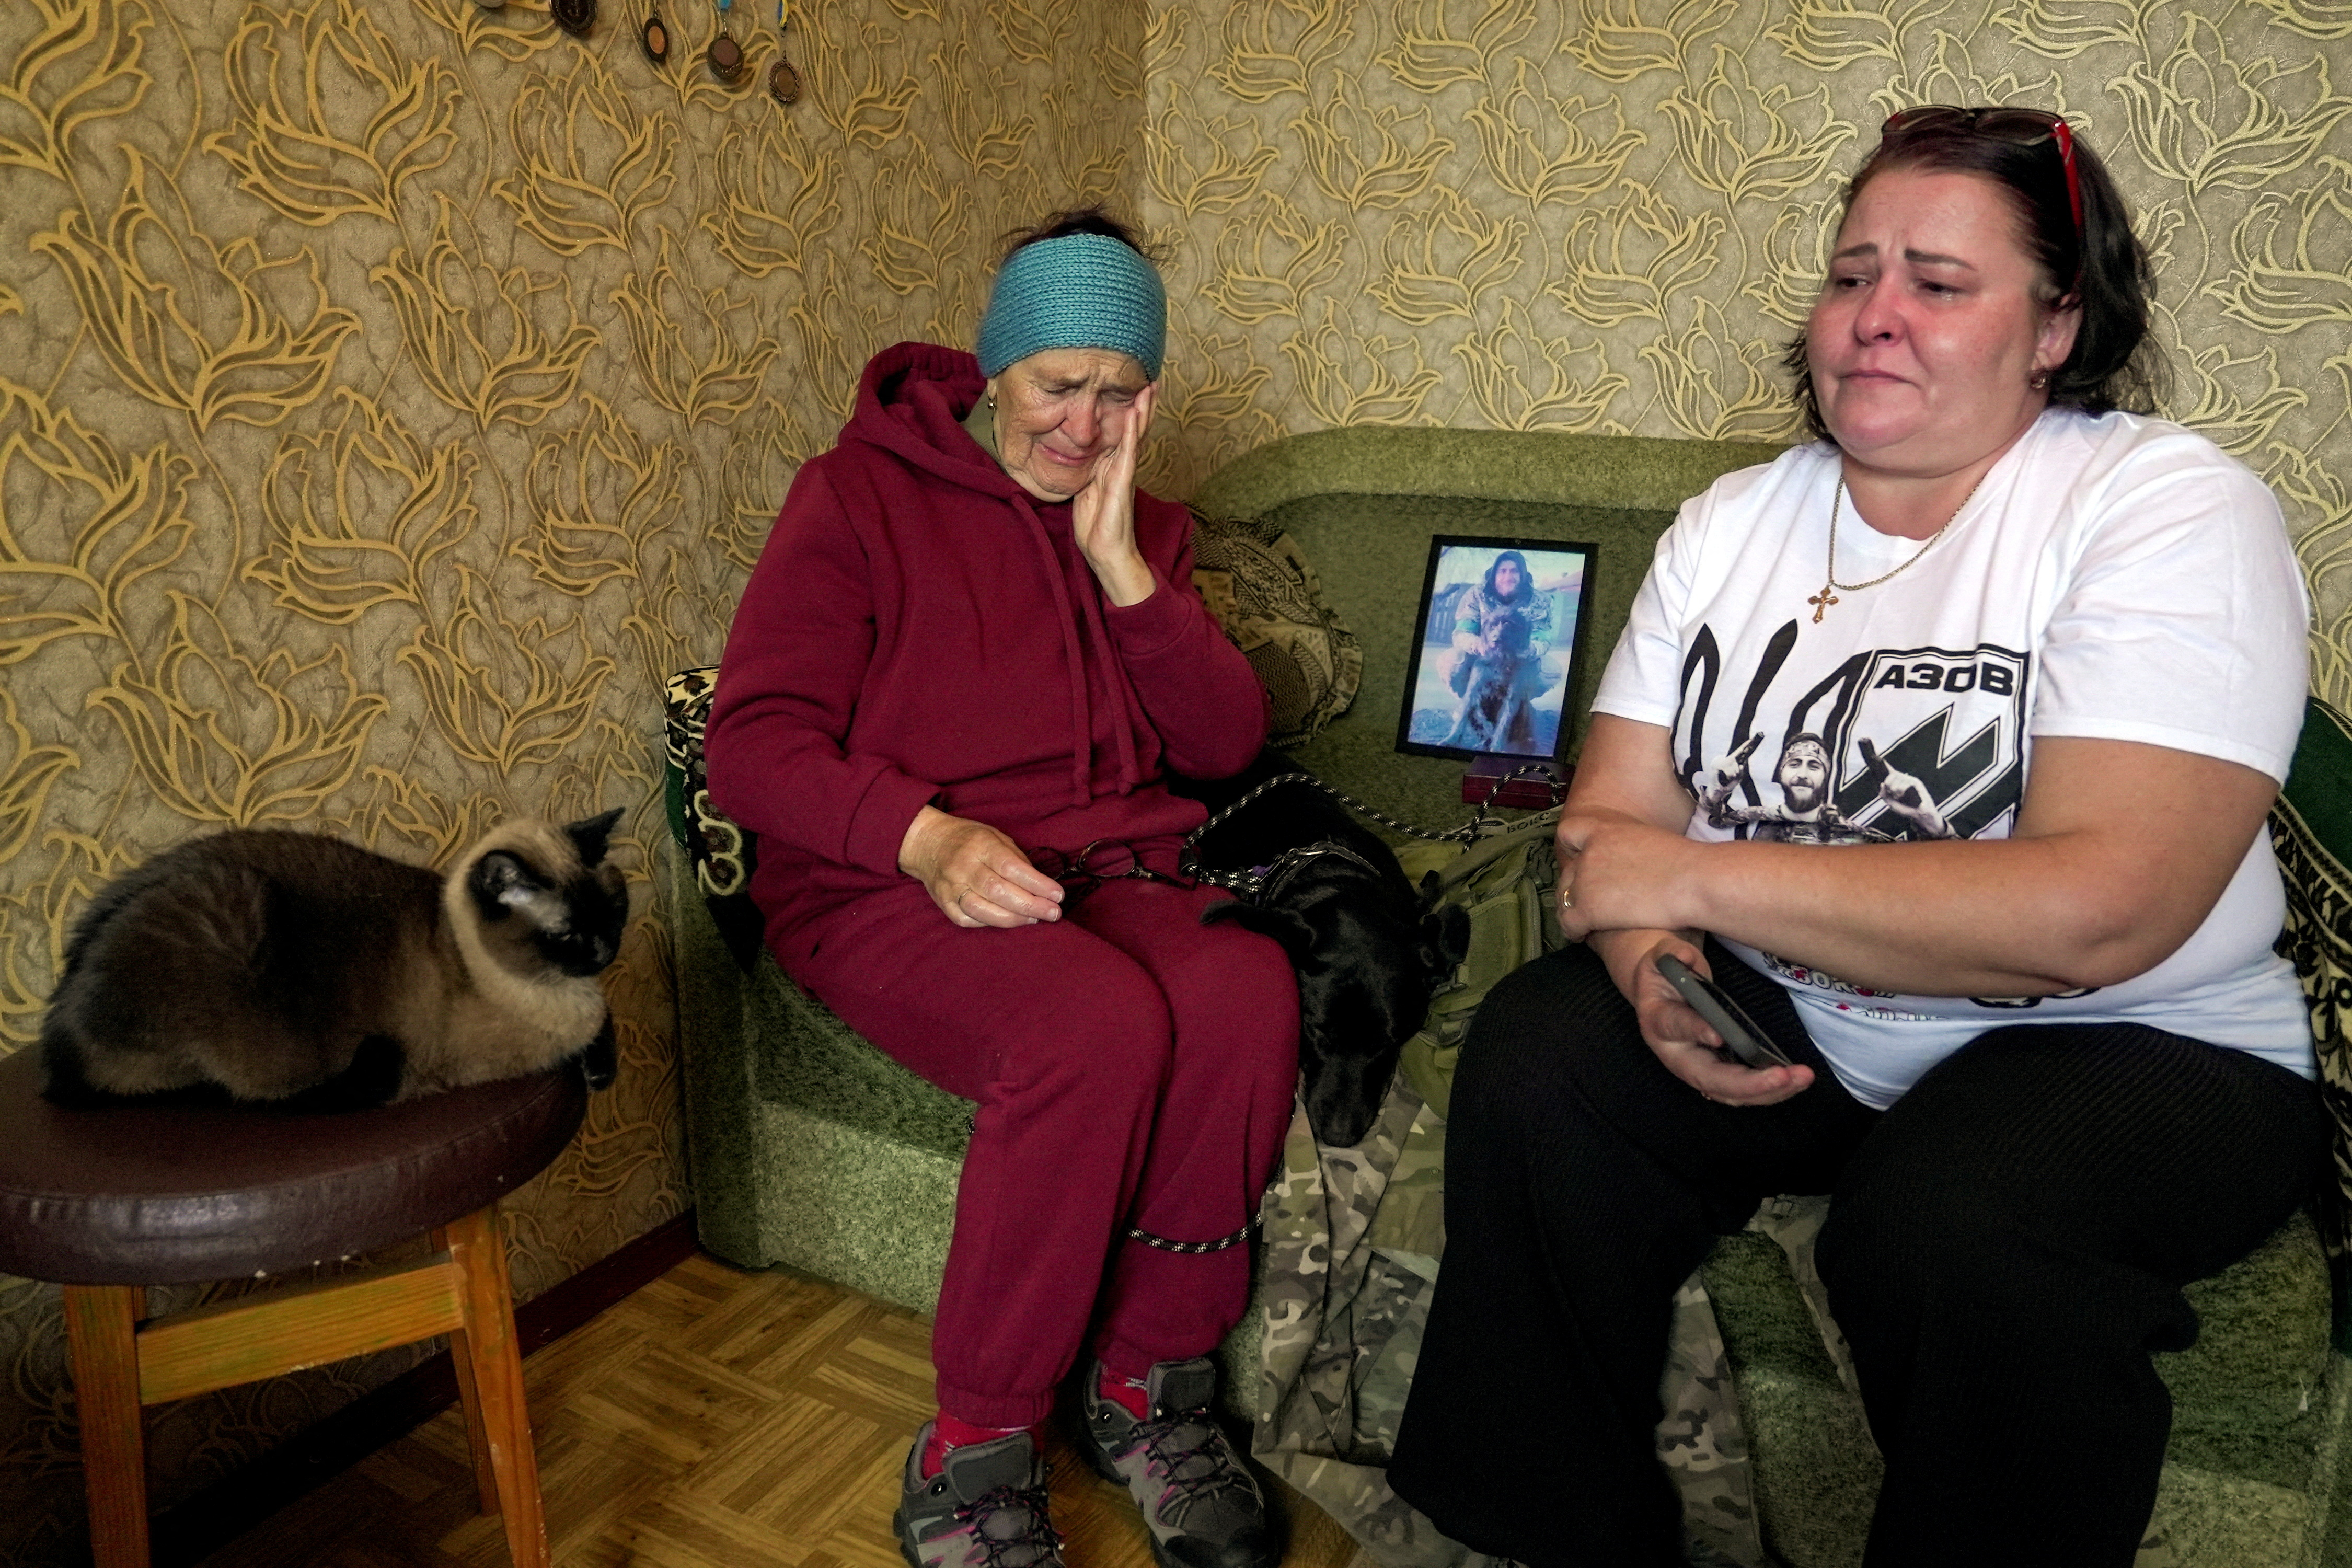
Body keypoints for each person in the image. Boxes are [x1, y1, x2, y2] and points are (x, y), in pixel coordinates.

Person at [1386, 108, 2325, 1568]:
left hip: (2143, 1043)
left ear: (2055, 324)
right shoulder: (1735, 522)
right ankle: (1559, 1538)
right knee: (1539, 1053)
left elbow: (2100, 911)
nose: (1872, 319)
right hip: (1813, 1010)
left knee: (1946, 1218)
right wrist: (1646, 961)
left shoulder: (2161, 508)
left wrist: (1681, 880)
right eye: (1849, 275)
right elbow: (1608, 826)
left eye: (1938, 285)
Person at [705, 209, 1295, 1568]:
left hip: (1101, 870)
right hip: (883, 881)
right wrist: (923, 839)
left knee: (1243, 985)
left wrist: (1123, 572)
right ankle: (971, 1453)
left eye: (1119, 393)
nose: (1084, 427)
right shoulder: (849, 500)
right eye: (1056, 386)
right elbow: (750, 744)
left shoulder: (1140, 526)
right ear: (992, 372)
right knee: (1089, 1027)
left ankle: (1151, 1388)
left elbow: (1221, 746)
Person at [1437, 550, 1557, 751]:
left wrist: (1526, 650)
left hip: (1521, 660)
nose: (1508, 576)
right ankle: (1467, 713)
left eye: (1514, 571)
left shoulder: (1540, 601)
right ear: (1494, 574)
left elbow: (1543, 638)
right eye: (1502, 571)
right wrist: (1478, 645)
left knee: (1552, 669)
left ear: (1523, 574)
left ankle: (1520, 704)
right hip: (1485, 657)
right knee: (1452, 661)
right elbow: (1462, 632)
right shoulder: (1476, 594)